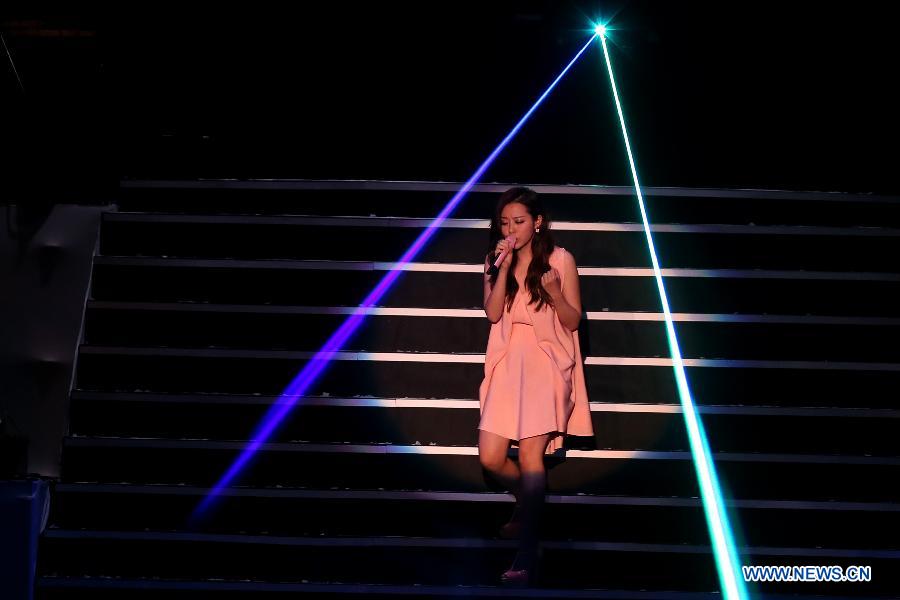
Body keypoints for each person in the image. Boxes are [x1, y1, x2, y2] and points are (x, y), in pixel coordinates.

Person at [478, 186, 594, 587]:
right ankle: (529, 506)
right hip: (510, 360)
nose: (511, 228)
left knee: (531, 457)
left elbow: (573, 320)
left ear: (538, 222)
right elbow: (493, 313)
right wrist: (502, 267)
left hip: (546, 362)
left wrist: (555, 292)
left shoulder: (560, 259)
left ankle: (527, 554)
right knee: (491, 457)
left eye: (519, 221)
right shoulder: (496, 260)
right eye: (505, 222)